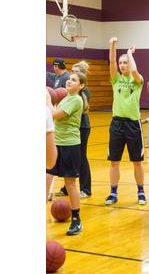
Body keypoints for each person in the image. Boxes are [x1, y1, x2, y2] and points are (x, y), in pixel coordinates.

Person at [46, 71, 88, 235]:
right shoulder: (66, 98)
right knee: (46, 178)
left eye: (74, 80)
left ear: (81, 86)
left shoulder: (76, 100)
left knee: (70, 183)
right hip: (55, 144)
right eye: (69, 79)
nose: (69, 81)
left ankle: (77, 219)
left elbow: (54, 114)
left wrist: (48, 100)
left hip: (70, 146)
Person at [105, 37, 146, 206]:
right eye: (121, 63)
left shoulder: (138, 80)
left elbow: (135, 71)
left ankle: (141, 192)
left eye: (125, 62)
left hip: (133, 124)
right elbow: (112, 61)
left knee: (137, 161)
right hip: (116, 124)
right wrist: (112, 44)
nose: (122, 65)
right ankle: (113, 192)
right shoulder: (115, 79)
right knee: (114, 161)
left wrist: (130, 53)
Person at [56, 61, 93, 198]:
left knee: (81, 157)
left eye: (76, 71)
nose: (72, 73)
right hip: (70, 127)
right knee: (68, 159)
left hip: (81, 127)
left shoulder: (82, 92)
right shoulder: (69, 91)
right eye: (71, 71)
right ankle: (67, 188)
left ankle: (86, 189)